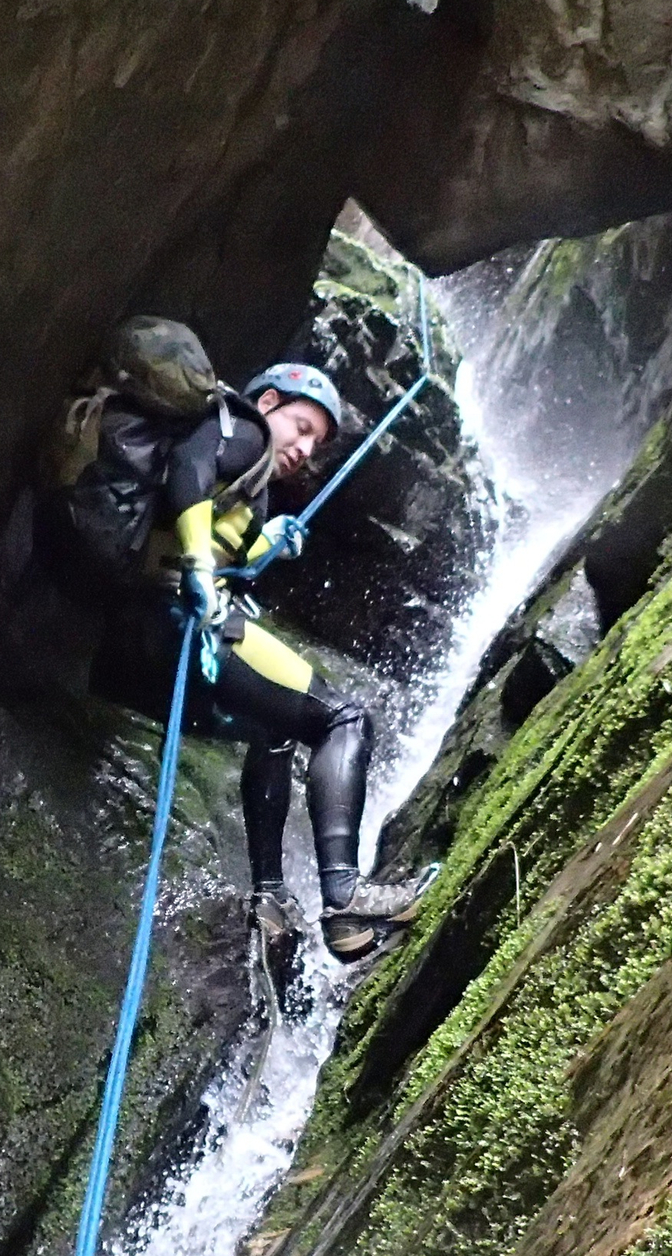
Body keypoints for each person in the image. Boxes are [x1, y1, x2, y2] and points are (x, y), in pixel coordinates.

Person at [63, 360, 433, 964]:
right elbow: (188, 470)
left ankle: (270, 901)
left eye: (316, 442)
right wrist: (201, 571)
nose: (305, 448)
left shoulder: (250, 478)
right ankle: (344, 894)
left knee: (276, 730)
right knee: (344, 720)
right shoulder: (240, 428)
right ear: (267, 404)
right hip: (182, 620)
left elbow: (218, 532)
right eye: (302, 426)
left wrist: (268, 541)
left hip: (138, 643)